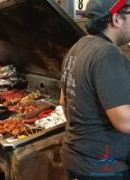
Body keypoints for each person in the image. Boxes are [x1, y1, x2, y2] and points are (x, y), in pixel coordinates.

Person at [60, 0, 130, 179]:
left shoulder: (78, 46)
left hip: (75, 155)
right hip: (102, 166)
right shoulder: (108, 54)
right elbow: (124, 122)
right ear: (116, 18)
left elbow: (63, 101)